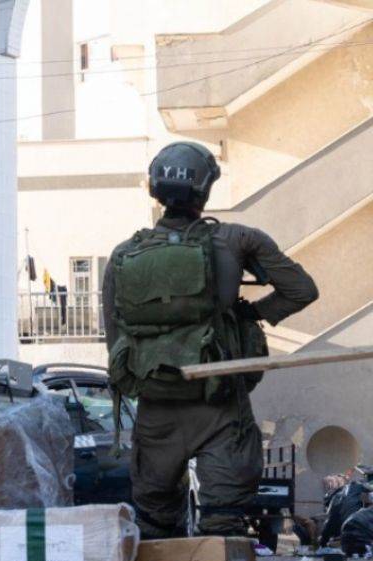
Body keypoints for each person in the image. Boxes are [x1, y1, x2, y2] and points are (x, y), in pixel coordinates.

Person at [103, 141, 318, 538]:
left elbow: (115, 341)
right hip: (220, 405)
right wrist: (249, 313)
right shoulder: (238, 241)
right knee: (223, 527)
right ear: (205, 190)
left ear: (155, 188)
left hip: (156, 409)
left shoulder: (122, 255)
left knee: (155, 528)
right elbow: (301, 290)